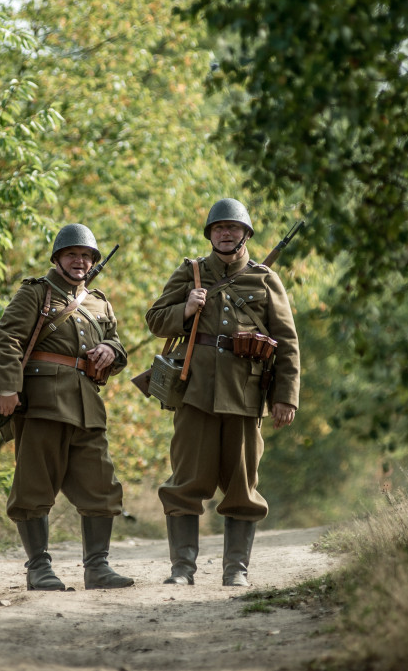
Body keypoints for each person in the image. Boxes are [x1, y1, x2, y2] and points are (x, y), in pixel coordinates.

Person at [145, 198, 300, 587]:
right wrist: (185, 308)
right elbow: (156, 321)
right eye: (219, 228)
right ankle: (182, 568)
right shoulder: (191, 272)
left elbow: (287, 342)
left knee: (242, 485)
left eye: (233, 228)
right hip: (195, 391)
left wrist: (285, 396)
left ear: (246, 234)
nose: (226, 233)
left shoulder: (265, 280)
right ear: (210, 234)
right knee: (185, 482)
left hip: (245, 394)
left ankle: (236, 569)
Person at [0, 224, 134, 591]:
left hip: (87, 405)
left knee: (102, 484)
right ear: (57, 258)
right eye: (72, 254)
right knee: (34, 486)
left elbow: (116, 344)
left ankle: (97, 568)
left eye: (86, 256)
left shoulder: (100, 302)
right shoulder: (36, 293)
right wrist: (8, 387)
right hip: (42, 403)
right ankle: (39, 567)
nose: (80, 261)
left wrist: (111, 351)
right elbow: (6, 340)